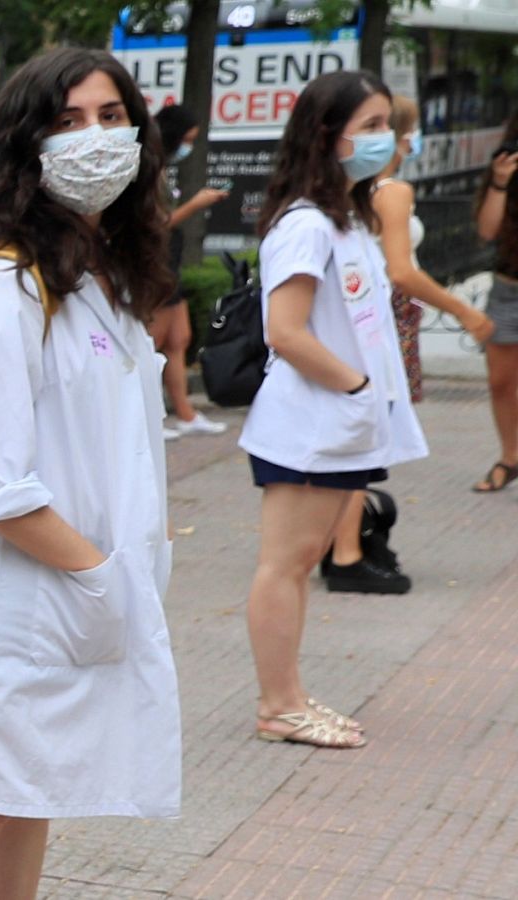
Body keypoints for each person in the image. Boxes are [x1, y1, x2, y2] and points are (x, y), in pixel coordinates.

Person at [0, 47, 182, 898]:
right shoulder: (0, 285)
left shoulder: (96, 279)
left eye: (109, 117)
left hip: (71, 591)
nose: (94, 139)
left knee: (29, 798)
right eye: (66, 122)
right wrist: (98, 572)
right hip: (14, 599)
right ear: (25, 147)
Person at [240, 70, 427, 749]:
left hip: (334, 424)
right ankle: (278, 706)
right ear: (328, 135)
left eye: (387, 126)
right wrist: (353, 388)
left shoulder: (341, 219)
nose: (387, 140)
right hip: (311, 426)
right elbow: (285, 330)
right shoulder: (305, 224)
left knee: (295, 565)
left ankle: (287, 694)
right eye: (372, 126)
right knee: (284, 565)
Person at [322, 95, 495, 593]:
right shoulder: (392, 190)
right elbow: (402, 271)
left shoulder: (354, 189)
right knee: (369, 433)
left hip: (364, 312)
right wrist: (463, 310)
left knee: (361, 431)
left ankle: (341, 542)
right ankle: (348, 551)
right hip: (385, 315)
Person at [151, 105, 230, 439]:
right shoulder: (148, 167)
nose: (188, 147)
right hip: (156, 260)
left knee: (178, 338)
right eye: (186, 140)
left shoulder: (161, 167)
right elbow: (155, 223)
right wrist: (195, 205)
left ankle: (184, 412)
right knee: (152, 340)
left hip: (170, 259)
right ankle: (149, 416)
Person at [473, 113, 518, 491]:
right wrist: (500, 183)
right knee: (501, 382)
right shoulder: (506, 168)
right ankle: (510, 457)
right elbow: (487, 231)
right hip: (509, 288)